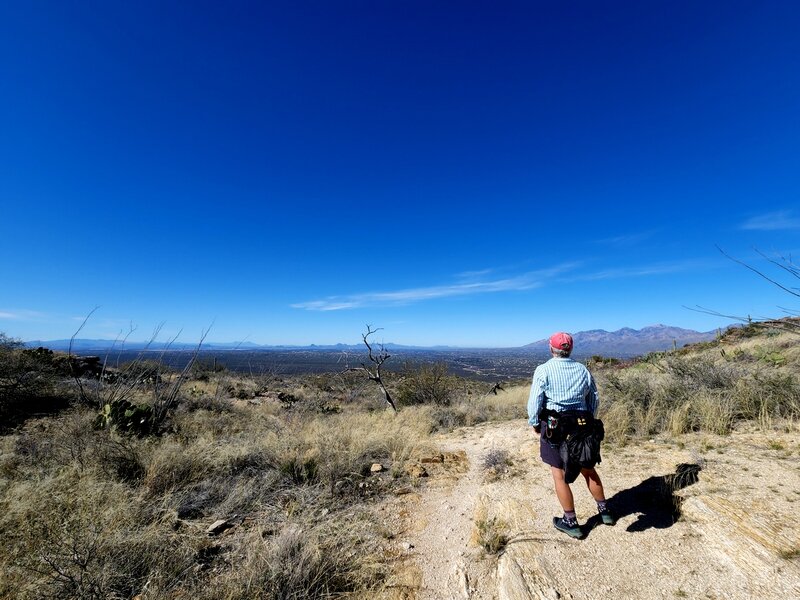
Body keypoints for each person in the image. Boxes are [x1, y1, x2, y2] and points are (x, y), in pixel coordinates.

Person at [527, 332, 615, 538]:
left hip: (555, 426)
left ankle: (571, 521)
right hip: (582, 425)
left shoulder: (544, 370)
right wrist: (589, 419)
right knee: (588, 468)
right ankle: (605, 512)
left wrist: (534, 423)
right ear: (571, 349)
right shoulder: (582, 369)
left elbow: (535, 400)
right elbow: (594, 397)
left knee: (559, 474)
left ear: (551, 349)